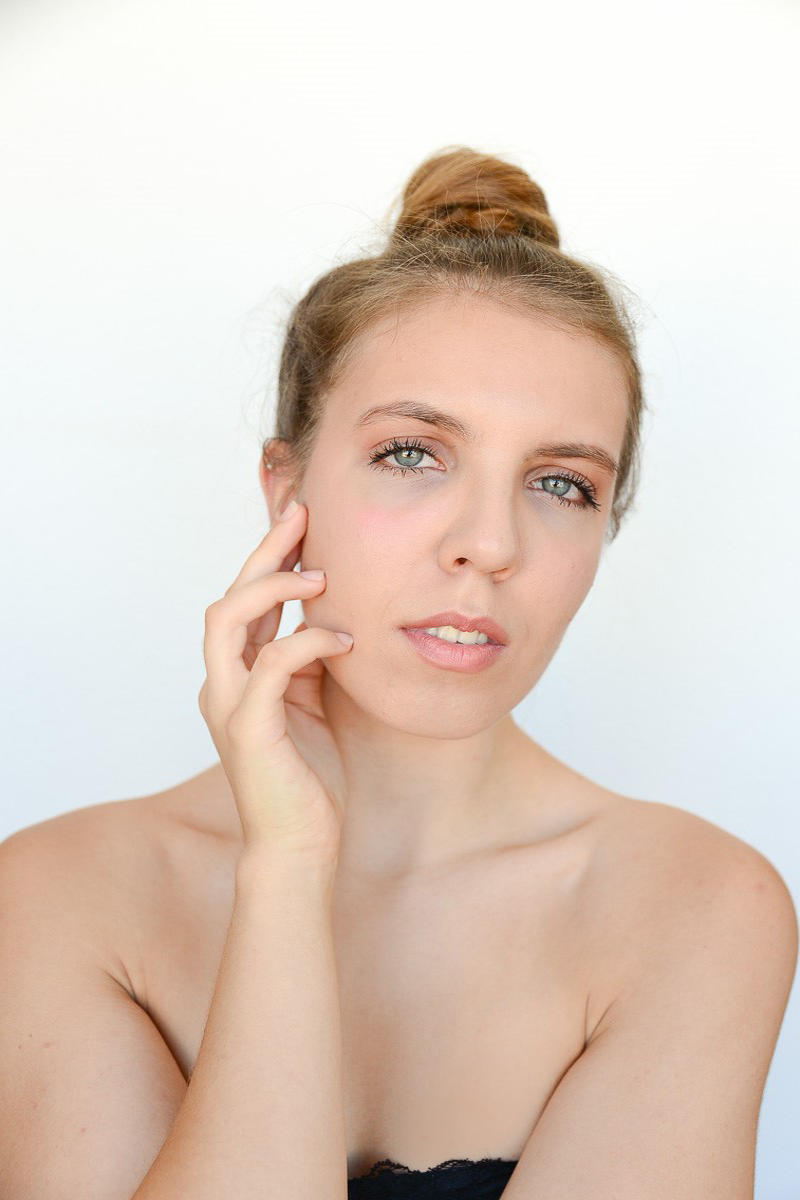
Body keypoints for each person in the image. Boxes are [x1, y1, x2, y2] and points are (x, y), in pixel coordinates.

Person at [1, 146, 796, 1200]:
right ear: (285, 490)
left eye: (560, 483)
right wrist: (287, 870)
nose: (489, 546)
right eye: (412, 454)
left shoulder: (693, 906)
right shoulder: (54, 898)